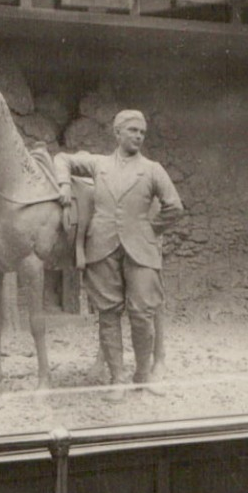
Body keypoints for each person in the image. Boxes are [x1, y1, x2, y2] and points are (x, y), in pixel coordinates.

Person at [53, 109, 184, 391]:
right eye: (133, 130)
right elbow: (62, 158)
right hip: (101, 248)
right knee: (108, 314)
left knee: (141, 314)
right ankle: (117, 380)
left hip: (142, 250)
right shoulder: (98, 164)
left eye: (142, 132)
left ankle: (142, 375)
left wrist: (150, 229)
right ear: (117, 133)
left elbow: (174, 206)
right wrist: (64, 184)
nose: (138, 136)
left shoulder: (152, 169)